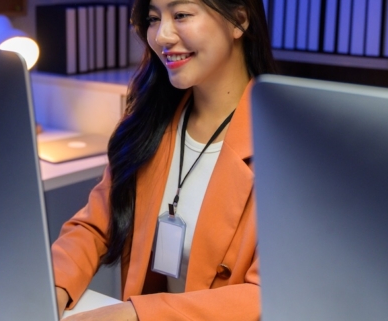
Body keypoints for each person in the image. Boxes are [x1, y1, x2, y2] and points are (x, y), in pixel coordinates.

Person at [51, 0, 275, 318]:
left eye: (181, 14)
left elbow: (268, 295)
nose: (161, 36)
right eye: (154, 18)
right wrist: (53, 289)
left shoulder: (287, 147)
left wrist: (135, 315)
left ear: (239, 20)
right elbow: (95, 225)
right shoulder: (150, 124)